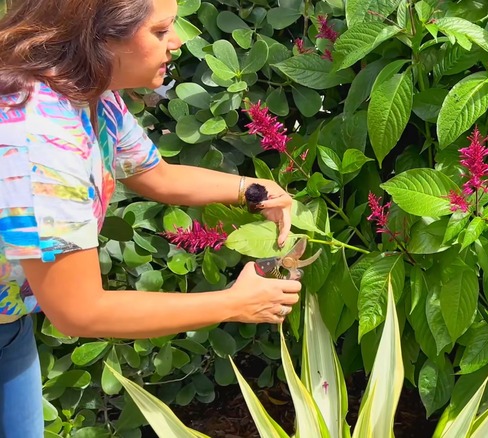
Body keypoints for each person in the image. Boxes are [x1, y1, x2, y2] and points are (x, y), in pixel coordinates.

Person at [0, 0, 303, 436]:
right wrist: (234, 303)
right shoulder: (42, 142)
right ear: (98, 38)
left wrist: (254, 191)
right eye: (160, 32)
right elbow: (78, 311)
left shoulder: (87, 93)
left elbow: (156, 176)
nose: (177, 43)